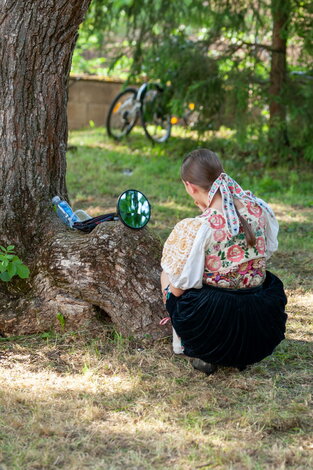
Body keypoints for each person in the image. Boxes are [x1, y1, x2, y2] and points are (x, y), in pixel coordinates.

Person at [160, 148, 287, 375]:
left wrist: (170, 291)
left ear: (189, 186)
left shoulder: (198, 227)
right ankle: (240, 352)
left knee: (169, 277)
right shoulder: (258, 208)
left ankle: (195, 349)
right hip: (260, 324)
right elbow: (266, 252)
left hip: (215, 326)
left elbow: (178, 290)